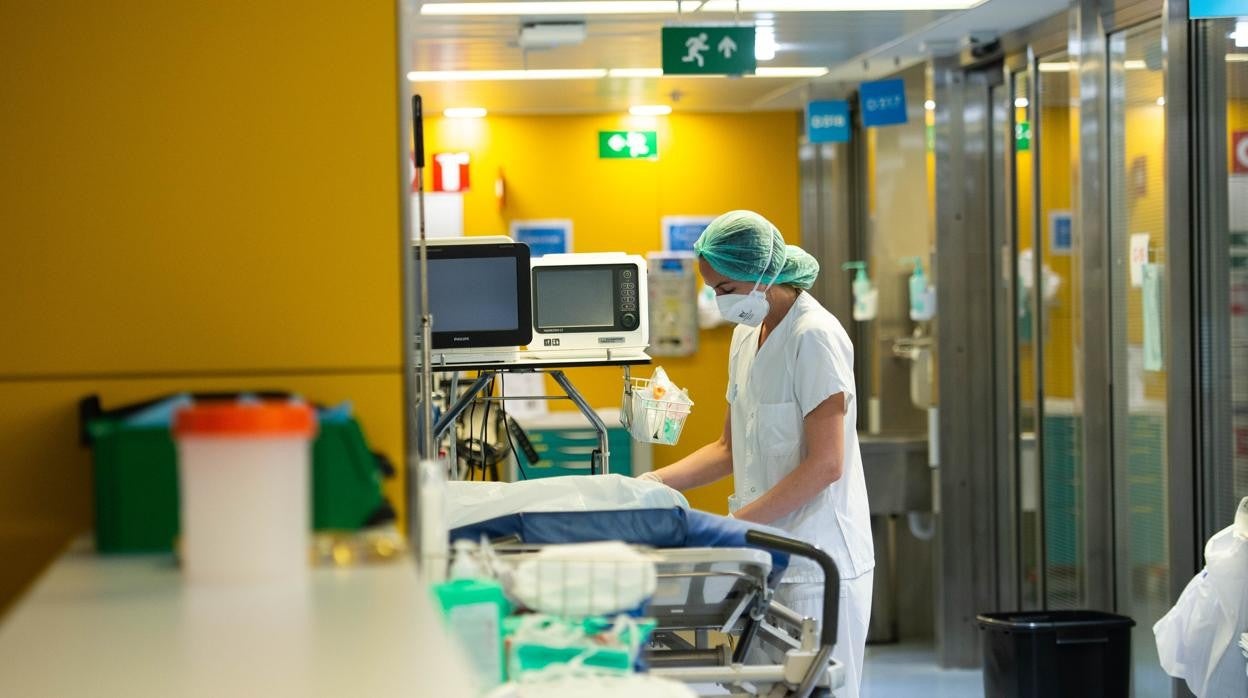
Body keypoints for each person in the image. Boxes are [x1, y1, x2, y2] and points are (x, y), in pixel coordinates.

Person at [639, 210, 874, 697]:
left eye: (725, 288)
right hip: (765, 560)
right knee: (763, 689)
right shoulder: (747, 335)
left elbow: (826, 465)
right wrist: (650, 485)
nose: (719, 300)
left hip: (815, 562)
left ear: (762, 272)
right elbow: (728, 448)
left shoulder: (814, 336)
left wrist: (734, 529)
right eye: (713, 290)